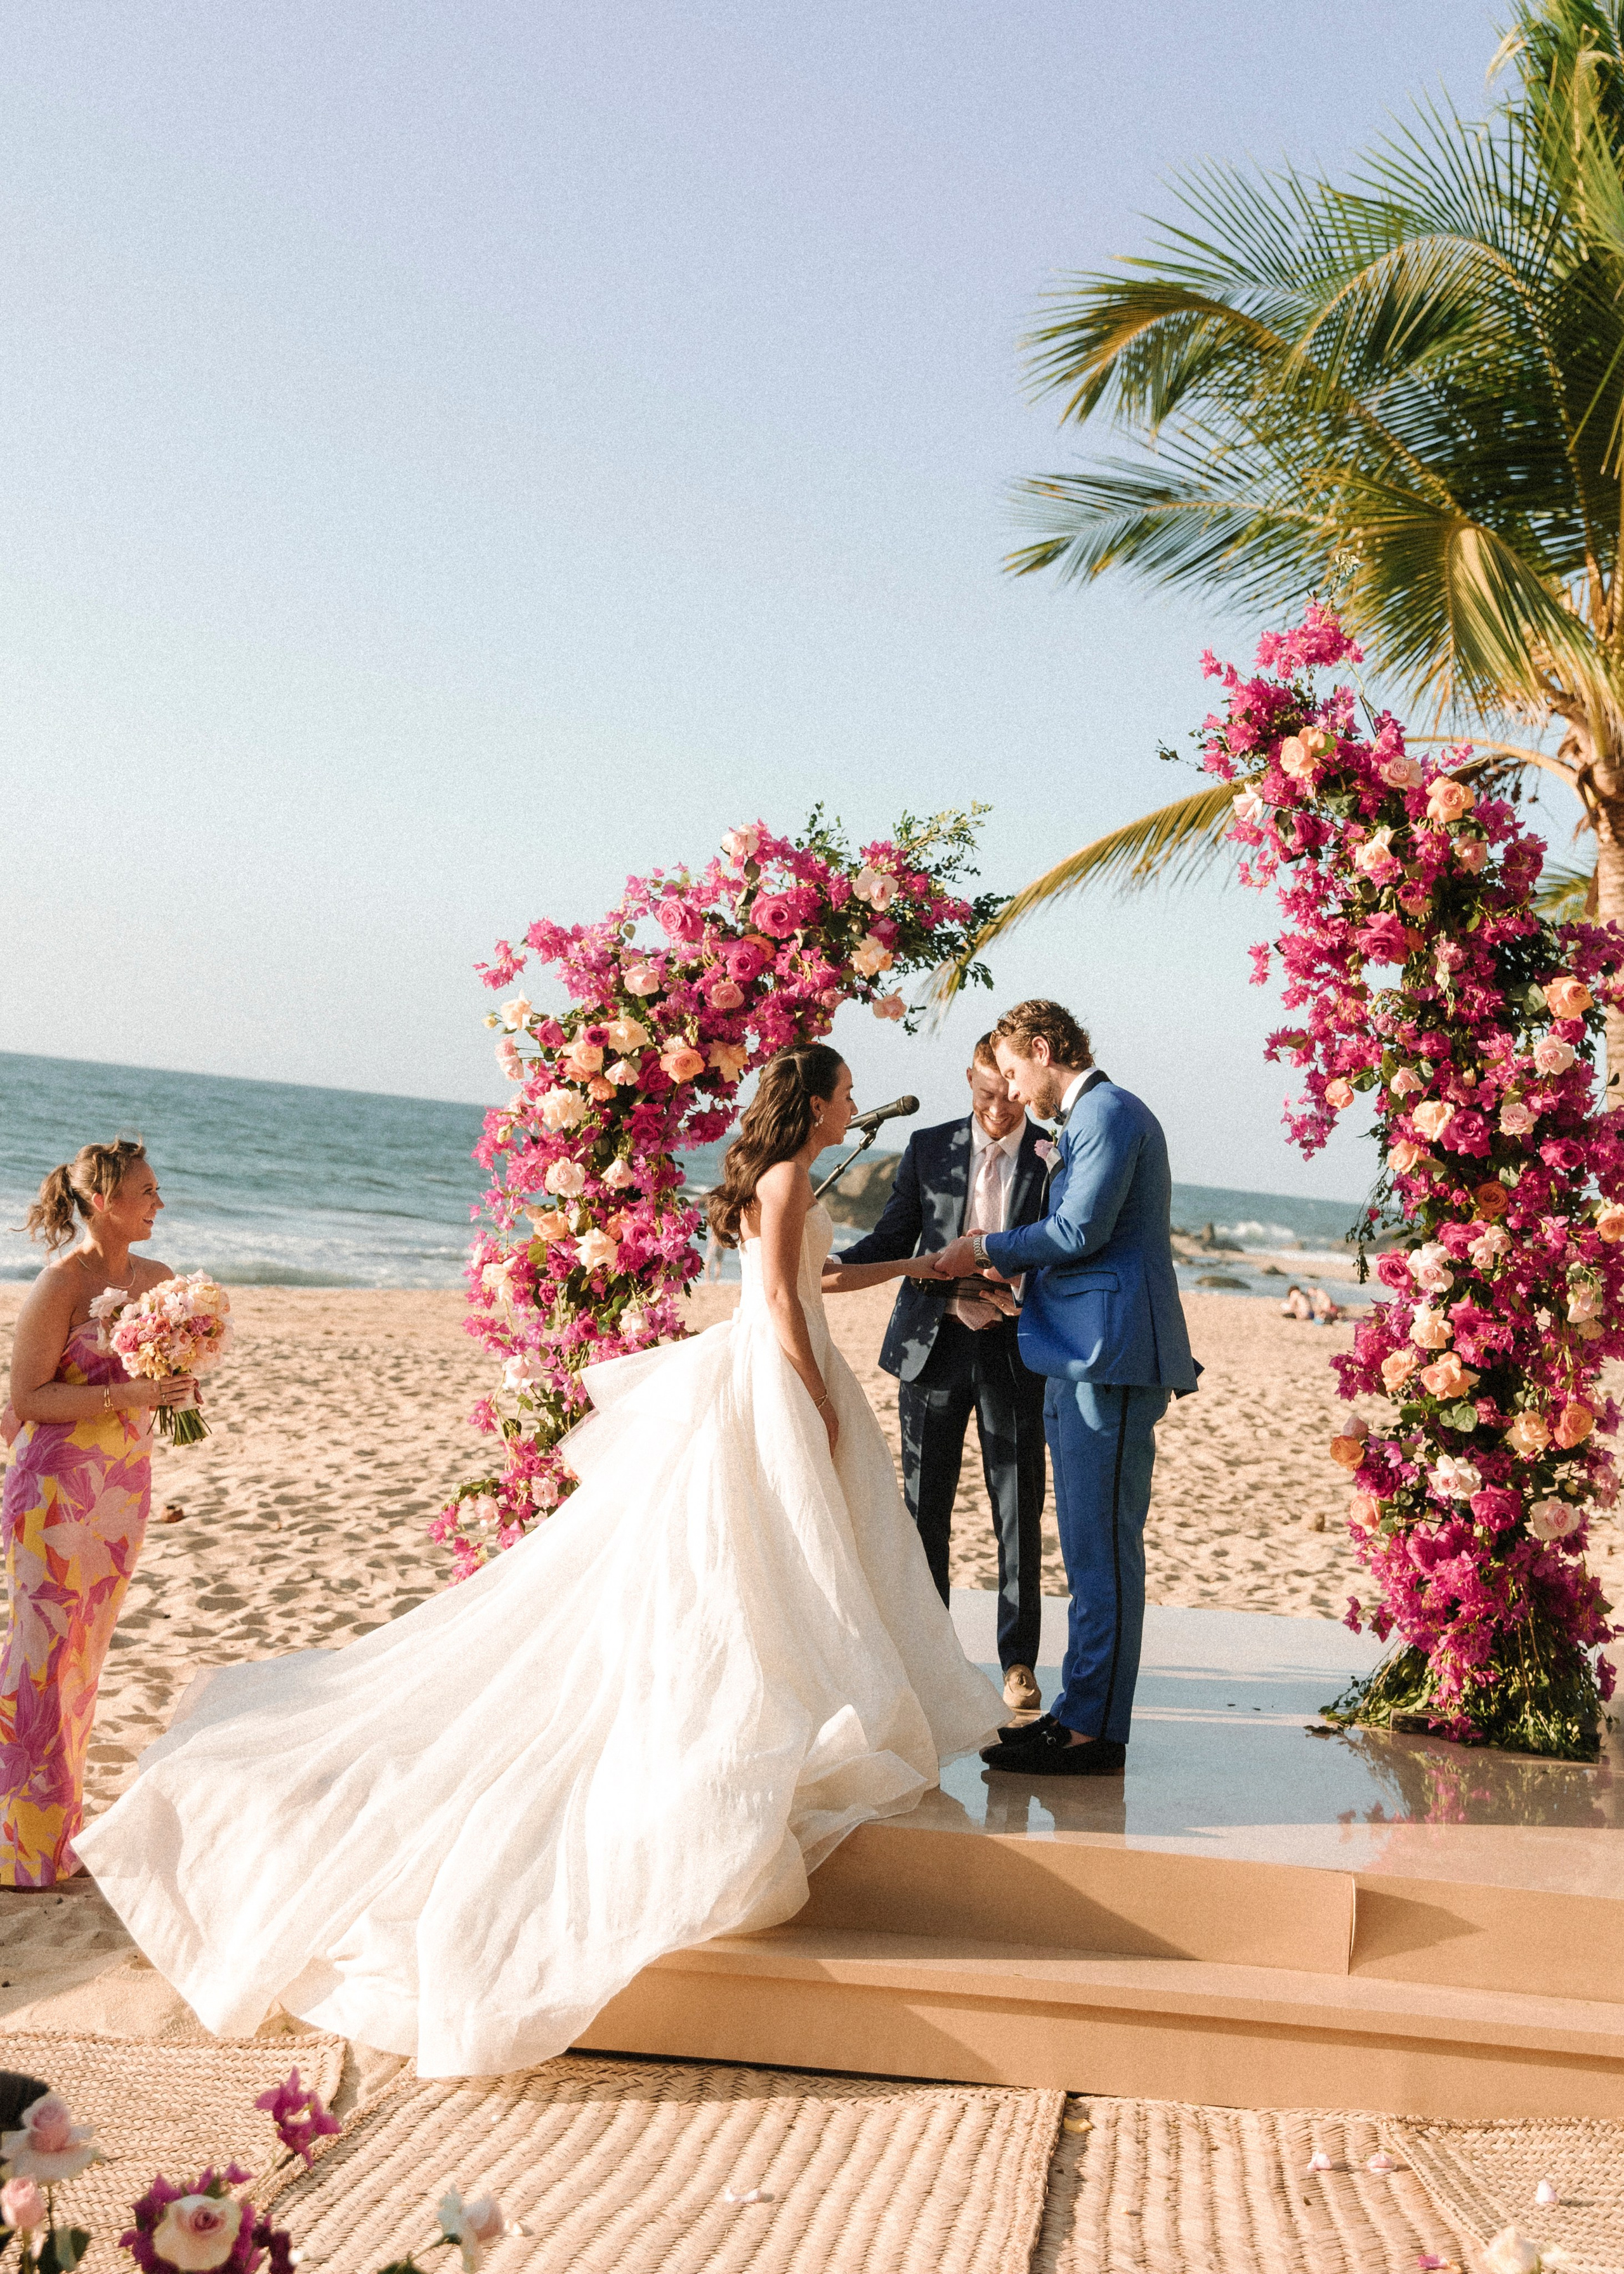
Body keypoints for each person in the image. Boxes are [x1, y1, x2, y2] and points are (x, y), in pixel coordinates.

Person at [76, 1045, 1002, 2078]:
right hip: (777, 1371)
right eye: (843, 1092)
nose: (851, 1104)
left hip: (771, 1361)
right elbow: (785, 1305)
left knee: (784, 1553)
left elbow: (815, 1277)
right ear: (815, 1102)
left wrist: (916, 1267)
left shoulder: (783, 1179)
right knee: (775, 1550)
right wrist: (816, 1397)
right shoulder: (787, 1176)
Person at [933, 1001, 1200, 1779]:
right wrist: (1020, 1283)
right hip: (1077, 1350)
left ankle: (1092, 1732)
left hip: (1107, 1359)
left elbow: (1081, 1230)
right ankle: (1080, 1710)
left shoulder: (1108, 1112)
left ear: (1044, 1050)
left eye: (1015, 1073)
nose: (1013, 1092)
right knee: (1084, 1549)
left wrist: (985, 1246)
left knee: (1101, 1548)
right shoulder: (1090, 1117)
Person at [832, 1034, 1051, 1713]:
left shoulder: (1054, 1154)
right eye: (985, 1094)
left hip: (1015, 1349)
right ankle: (929, 1654)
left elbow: (1065, 1249)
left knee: (1017, 1508)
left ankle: (1018, 1661)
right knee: (924, 1508)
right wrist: (828, 1263)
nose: (999, 1108)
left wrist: (1020, 1285)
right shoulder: (928, 1147)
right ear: (969, 1079)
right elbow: (892, 1239)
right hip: (931, 1346)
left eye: (1009, 1096)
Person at [0, 1142, 197, 1887]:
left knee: (83, 1657)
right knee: (40, 1658)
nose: (159, 1203)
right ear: (105, 1201)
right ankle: (21, 1848)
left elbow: (168, 1381)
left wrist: (179, 1388)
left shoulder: (160, 1280)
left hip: (122, 1490)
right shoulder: (62, 1282)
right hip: (53, 1490)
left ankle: (55, 1830)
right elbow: (27, 1399)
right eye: (147, 1191)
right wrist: (128, 1395)